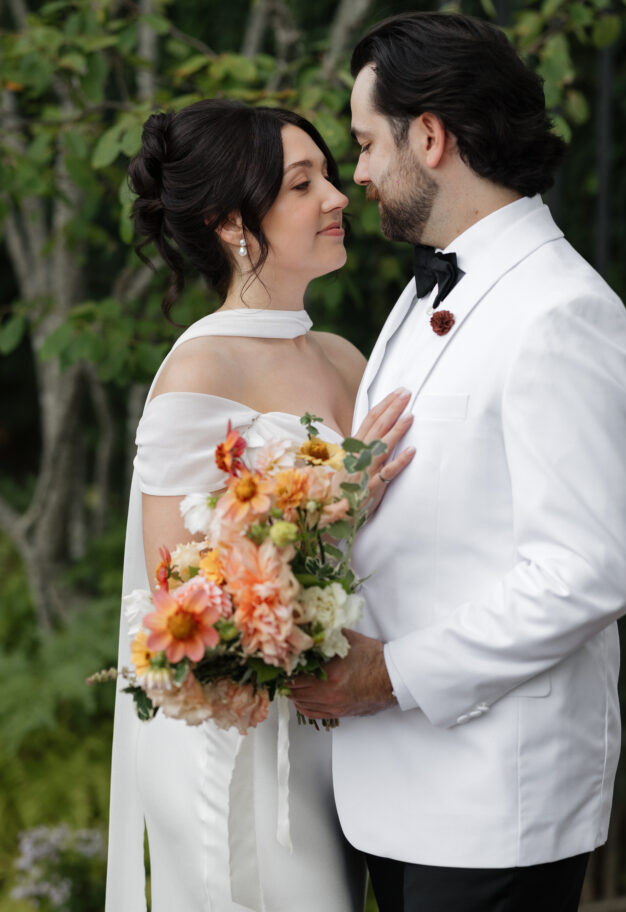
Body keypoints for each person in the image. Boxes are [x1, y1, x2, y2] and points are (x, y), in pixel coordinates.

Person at [289, 12, 626, 912]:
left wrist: (391, 673)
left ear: (430, 137)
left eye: (367, 145)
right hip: (393, 793)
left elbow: (588, 570)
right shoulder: (427, 288)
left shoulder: (559, 311)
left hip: (496, 796)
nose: (358, 174)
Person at [105, 98, 415, 912]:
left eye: (329, 174)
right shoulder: (198, 372)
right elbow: (182, 593)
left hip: (343, 726)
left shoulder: (347, 355)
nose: (338, 196)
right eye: (302, 184)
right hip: (238, 750)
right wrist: (336, 501)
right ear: (229, 223)